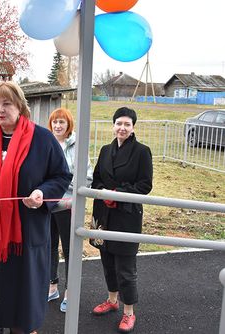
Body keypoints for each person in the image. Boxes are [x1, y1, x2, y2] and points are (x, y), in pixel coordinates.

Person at [0, 81, 72, 334]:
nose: (0, 110)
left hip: (26, 236)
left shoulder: (42, 139)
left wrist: (42, 192)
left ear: (20, 105)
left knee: (22, 309)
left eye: (6, 103)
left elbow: (61, 176)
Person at [91, 107, 153, 333]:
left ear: (133, 127)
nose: (122, 128)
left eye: (127, 124)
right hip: (103, 214)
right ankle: (112, 300)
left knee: (125, 267)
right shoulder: (105, 150)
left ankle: (129, 312)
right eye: (119, 123)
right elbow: (96, 179)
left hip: (126, 215)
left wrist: (117, 194)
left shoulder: (142, 151)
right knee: (107, 260)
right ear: (113, 125)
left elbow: (145, 185)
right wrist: (103, 193)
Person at [46, 108, 93, 313]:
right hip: (48, 205)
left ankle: (70, 292)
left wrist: (68, 191)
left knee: (69, 249)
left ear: (69, 125)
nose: (57, 126)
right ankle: (51, 285)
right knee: (48, 247)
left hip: (68, 206)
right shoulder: (46, 144)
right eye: (54, 122)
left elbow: (87, 176)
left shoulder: (78, 147)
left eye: (61, 122)